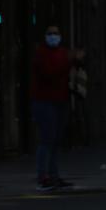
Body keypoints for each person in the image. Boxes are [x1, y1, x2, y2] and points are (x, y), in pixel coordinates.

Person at [32, 23, 83, 190]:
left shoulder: (63, 53)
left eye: (56, 33)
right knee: (47, 139)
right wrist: (69, 62)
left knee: (55, 141)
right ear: (45, 36)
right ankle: (42, 176)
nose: (53, 36)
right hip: (44, 100)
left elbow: (70, 72)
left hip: (61, 100)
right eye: (50, 33)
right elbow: (49, 74)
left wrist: (75, 62)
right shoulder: (41, 53)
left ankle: (54, 175)